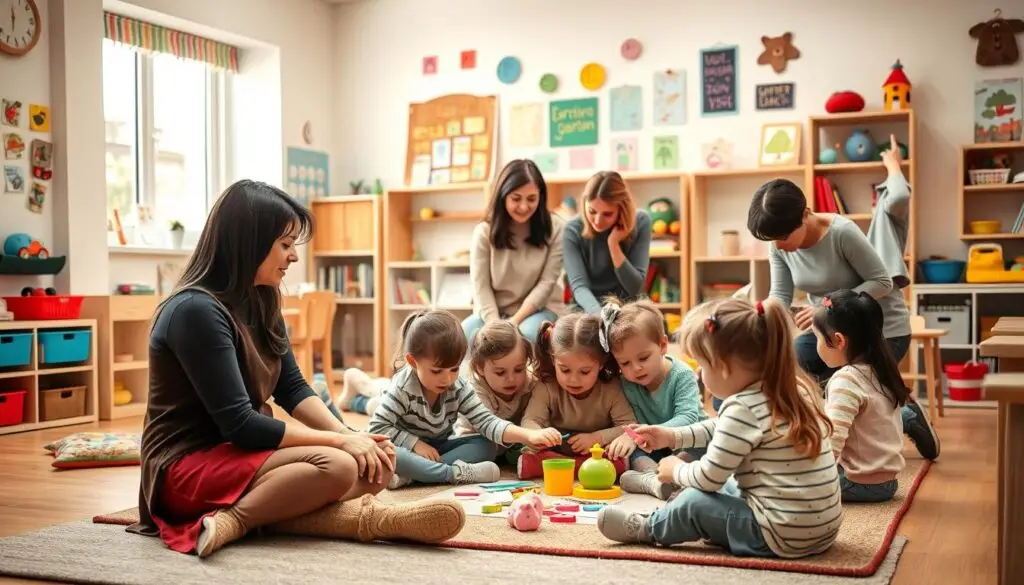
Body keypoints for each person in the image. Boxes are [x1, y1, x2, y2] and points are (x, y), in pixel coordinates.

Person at [127, 180, 465, 558]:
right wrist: (339, 442)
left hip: (238, 453)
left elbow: (292, 388)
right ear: (250, 242)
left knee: (377, 465)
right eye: (285, 245)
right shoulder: (194, 310)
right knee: (337, 466)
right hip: (186, 465)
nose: (294, 257)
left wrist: (351, 434)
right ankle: (238, 520)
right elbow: (240, 423)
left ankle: (262, 515)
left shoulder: (262, 299)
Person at [598, 298, 843, 559]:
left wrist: (676, 470)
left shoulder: (743, 408)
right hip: (822, 530)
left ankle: (649, 527)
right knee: (726, 484)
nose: (700, 374)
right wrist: (671, 435)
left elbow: (708, 477)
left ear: (724, 367)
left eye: (703, 365)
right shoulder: (790, 388)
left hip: (780, 535)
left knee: (695, 501)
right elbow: (720, 427)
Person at [745, 163, 939, 461]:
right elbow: (780, 296)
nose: (778, 245)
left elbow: (883, 282)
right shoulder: (779, 244)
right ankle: (850, 424)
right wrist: (758, 321)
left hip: (882, 331)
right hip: (831, 333)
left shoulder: (841, 233)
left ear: (804, 215)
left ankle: (906, 413)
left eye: (782, 236)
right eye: (772, 239)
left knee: (851, 382)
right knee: (800, 359)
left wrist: (827, 305)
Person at [368, 311, 562, 488]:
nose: (447, 379)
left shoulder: (457, 385)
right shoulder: (402, 387)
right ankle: (450, 474)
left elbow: (486, 421)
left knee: (486, 446)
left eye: (454, 369)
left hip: (439, 448)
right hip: (407, 448)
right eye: (437, 371)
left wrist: (528, 436)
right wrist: (414, 444)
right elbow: (377, 429)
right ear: (412, 362)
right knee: (388, 453)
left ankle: (414, 475)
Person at [599, 298, 706, 500]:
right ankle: (654, 481)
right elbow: (629, 420)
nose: (636, 368)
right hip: (652, 449)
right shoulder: (626, 382)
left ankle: (669, 476)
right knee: (627, 454)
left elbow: (689, 418)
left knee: (707, 444)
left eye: (643, 358)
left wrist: (647, 433)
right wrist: (628, 436)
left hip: (686, 443)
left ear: (663, 345)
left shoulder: (681, 374)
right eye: (625, 363)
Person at [813, 290, 909, 502]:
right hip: (888, 482)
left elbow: (832, 445)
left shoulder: (846, 380)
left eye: (817, 337)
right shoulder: (879, 369)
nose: (816, 345)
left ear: (838, 340)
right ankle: (910, 416)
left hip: (858, 482)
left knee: (784, 481)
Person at [516, 313, 636, 479]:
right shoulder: (546, 385)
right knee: (529, 451)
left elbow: (629, 426)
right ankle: (569, 466)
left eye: (585, 372)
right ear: (553, 360)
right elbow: (530, 420)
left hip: (597, 453)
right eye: (564, 370)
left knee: (620, 455)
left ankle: (564, 467)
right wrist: (537, 434)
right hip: (556, 452)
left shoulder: (611, 388)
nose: (573, 379)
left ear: (601, 364)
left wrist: (597, 438)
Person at [464, 159, 565, 344]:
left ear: (541, 197)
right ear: (503, 196)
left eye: (532, 199)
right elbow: (481, 287)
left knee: (526, 337)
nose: (524, 206)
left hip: (539, 309)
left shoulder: (556, 227)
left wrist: (514, 322)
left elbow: (547, 283)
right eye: (516, 198)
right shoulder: (484, 232)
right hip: (492, 312)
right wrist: (495, 324)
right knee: (464, 337)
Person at [563, 171, 652, 315]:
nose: (597, 221)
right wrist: (601, 317)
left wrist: (613, 244)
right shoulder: (572, 229)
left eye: (607, 214)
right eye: (592, 211)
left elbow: (636, 288)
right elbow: (579, 287)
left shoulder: (641, 221)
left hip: (629, 308)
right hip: (588, 309)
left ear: (621, 209)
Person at [454, 320, 538, 467]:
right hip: (474, 440)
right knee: (484, 449)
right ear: (480, 368)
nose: (511, 379)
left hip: (511, 443)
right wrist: (528, 435)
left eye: (519, 369)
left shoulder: (530, 382)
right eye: (500, 372)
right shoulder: (475, 389)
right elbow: (490, 426)